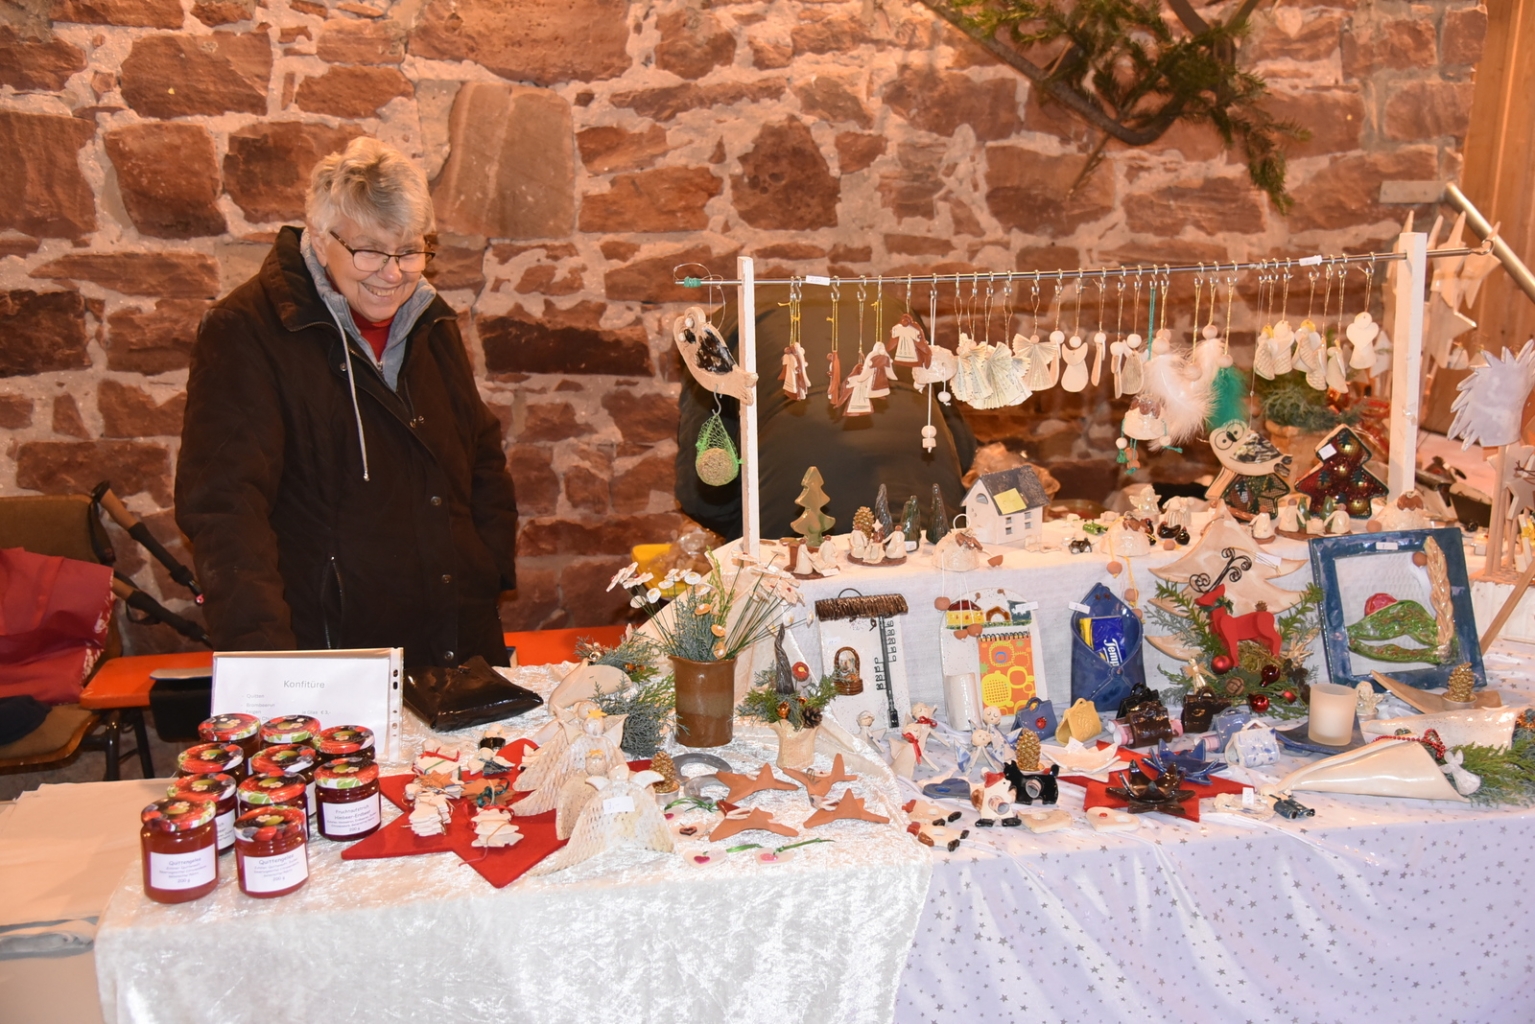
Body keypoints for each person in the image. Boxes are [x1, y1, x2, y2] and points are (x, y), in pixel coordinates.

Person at [176, 138, 518, 668]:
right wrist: (265, 666)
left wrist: (485, 566)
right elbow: (226, 509)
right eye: (369, 251)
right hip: (333, 651)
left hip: (456, 639)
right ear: (318, 236)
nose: (393, 273)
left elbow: (480, 451)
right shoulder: (247, 331)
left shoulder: (431, 319)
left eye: (410, 251)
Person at [676, 287, 977, 540]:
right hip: (923, 476)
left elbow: (703, 479)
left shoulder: (716, 334)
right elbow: (960, 443)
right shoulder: (894, 305)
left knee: (806, 591)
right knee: (934, 589)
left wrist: (742, 533)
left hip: (795, 489)